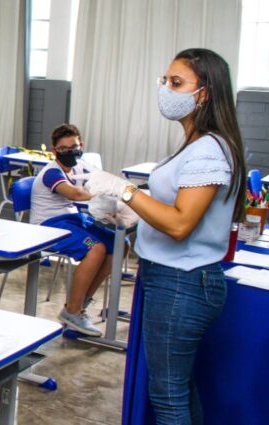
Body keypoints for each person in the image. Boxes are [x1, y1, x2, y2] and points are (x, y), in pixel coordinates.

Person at [76, 48, 247, 424]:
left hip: (181, 282)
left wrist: (125, 191)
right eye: (164, 80)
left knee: (168, 395)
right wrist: (130, 208)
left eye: (177, 82)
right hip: (172, 278)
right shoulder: (198, 143)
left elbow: (181, 224)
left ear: (204, 93)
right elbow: (175, 206)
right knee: (177, 389)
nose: (166, 89)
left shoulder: (208, 149)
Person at [30, 124, 117, 336]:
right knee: (96, 249)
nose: (70, 152)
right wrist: (108, 192)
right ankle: (73, 311)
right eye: (64, 149)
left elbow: (101, 179)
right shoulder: (51, 172)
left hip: (72, 219)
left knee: (119, 244)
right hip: (49, 225)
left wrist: (112, 187)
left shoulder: (80, 166)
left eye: (74, 147)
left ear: (81, 146)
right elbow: (75, 194)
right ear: (55, 150)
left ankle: (78, 303)